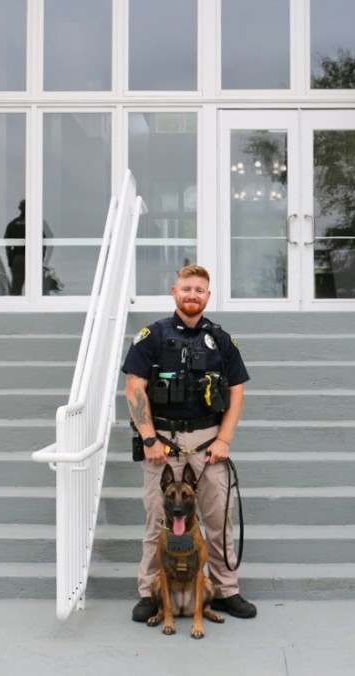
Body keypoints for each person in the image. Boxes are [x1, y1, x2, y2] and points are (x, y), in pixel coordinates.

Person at [121, 264, 257, 623]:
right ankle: (151, 592)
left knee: (217, 520)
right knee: (158, 522)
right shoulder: (151, 336)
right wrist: (148, 438)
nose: (192, 294)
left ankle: (226, 590)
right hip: (161, 442)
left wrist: (224, 439)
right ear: (174, 292)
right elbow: (135, 387)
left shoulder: (222, 340)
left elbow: (237, 392)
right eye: (186, 288)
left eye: (199, 289)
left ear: (208, 296)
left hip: (208, 442)